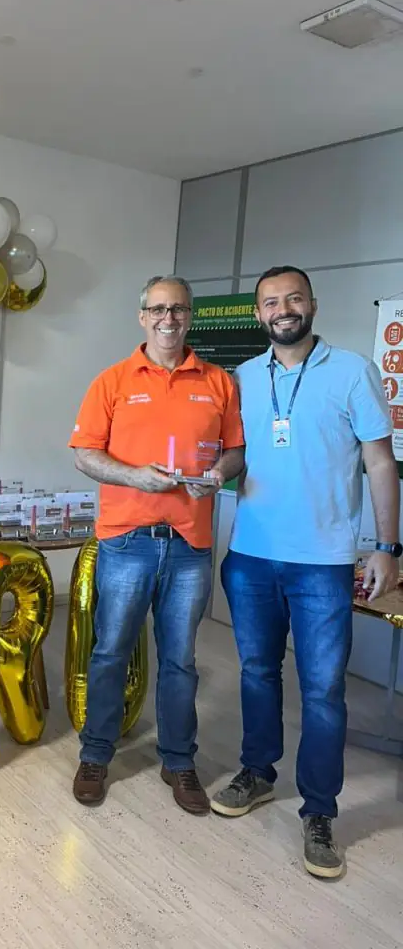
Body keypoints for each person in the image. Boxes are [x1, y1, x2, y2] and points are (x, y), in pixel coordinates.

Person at [211, 265, 401, 879]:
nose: (283, 309)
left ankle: (319, 810)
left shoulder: (352, 371)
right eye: (271, 302)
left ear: (312, 305)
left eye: (293, 298)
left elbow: (380, 462)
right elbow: (233, 454)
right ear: (258, 314)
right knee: (257, 671)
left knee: (322, 691)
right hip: (251, 557)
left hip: (324, 563)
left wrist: (387, 547)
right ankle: (258, 772)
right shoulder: (243, 378)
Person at [69, 276, 245, 813]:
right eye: (159, 309)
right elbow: (84, 453)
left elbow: (236, 452)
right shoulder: (112, 381)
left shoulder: (219, 382)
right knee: (110, 652)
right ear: (143, 316)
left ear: (191, 316)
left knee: (180, 660)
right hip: (127, 541)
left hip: (190, 544)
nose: (169, 318)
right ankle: (96, 754)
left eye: (179, 309)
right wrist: (133, 477)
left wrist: (218, 475)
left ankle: (178, 760)